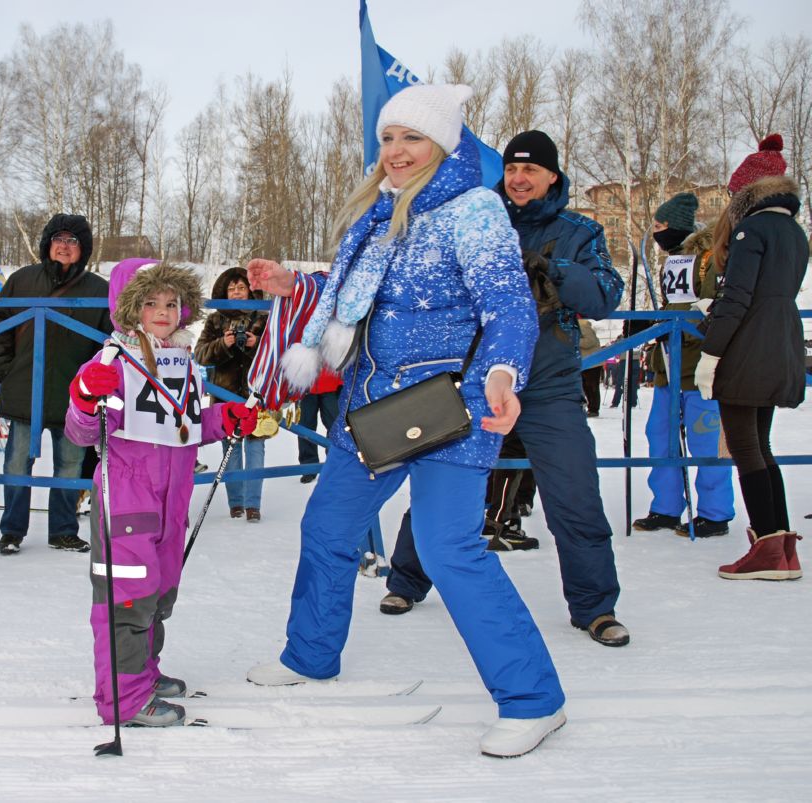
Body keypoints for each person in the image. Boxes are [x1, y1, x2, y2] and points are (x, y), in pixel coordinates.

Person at [245, 84, 566, 759]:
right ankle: (310, 654)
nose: (395, 151)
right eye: (388, 138)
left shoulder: (473, 211)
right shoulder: (381, 210)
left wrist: (503, 372)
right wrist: (298, 285)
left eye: (411, 138)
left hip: (453, 407)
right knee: (328, 526)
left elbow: (508, 304)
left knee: (450, 549)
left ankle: (533, 699)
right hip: (375, 409)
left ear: (443, 144)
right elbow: (364, 290)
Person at [382, 129, 630, 649]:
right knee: (441, 480)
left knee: (575, 495)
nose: (519, 179)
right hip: (474, 378)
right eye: (513, 170)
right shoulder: (477, 216)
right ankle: (406, 581)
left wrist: (552, 269)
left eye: (531, 171)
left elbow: (606, 294)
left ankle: (595, 606)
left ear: (552, 177)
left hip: (548, 384)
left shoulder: (579, 230)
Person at [66, 260, 257, 727]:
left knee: (158, 594)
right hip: (126, 500)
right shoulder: (111, 360)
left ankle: (143, 673)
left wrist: (222, 420)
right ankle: (125, 699)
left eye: (171, 302)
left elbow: (184, 425)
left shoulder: (181, 360)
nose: (162, 311)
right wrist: (85, 397)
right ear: (129, 306)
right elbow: (80, 431)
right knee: (126, 599)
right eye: (150, 302)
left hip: (172, 503)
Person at [695, 134, 806, 580]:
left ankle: (767, 548)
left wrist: (711, 351)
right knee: (762, 445)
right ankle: (781, 546)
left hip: (747, 349)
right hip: (781, 342)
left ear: (746, 193)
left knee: (745, 447)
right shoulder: (795, 232)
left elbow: (739, 296)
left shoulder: (750, 229)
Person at [0, 214, 112, 555]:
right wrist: (4, 371)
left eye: (73, 241)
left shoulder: (100, 290)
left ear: (82, 248)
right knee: (16, 465)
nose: (65, 246)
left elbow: (110, 344)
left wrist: (95, 384)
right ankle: (11, 530)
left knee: (69, 466)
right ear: (47, 244)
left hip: (75, 399)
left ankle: (63, 530)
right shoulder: (21, 281)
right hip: (25, 390)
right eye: (59, 239)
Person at [633, 192, 734, 538]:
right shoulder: (670, 262)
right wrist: (650, 325)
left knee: (706, 440)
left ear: (676, 227)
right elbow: (670, 305)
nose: (657, 232)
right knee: (660, 435)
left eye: (661, 226)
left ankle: (714, 512)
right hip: (667, 368)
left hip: (700, 369)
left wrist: (675, 329)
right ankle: (666, 505)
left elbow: (710, 307)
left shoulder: (709, 259)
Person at [193, 267, 268, 521]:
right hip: (224, 396)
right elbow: (200, 355)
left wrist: (254, 344)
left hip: (255, 393)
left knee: (256, 450)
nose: (236, 292)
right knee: (231, 450)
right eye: (231, 288)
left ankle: (253, 505)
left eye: (241, 288)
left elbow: (275, 355)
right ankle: (236, 503)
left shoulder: (264, 316)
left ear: (250, 291)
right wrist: (222, 344)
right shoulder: (215, 320)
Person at [295, 368, 343, 483]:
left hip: (331, 382)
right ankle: (308, 467)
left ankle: (334, 466)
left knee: (335, 427)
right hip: (304, 385)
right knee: (304, 428)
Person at [578, 318, 602, 417]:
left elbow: (590, 341)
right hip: (586, 362)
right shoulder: (579, 325)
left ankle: (594, 409)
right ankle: (591, 407)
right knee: (586, 386)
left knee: (592, 387)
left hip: (592, 362)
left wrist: (574, 340)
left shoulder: (582, 325)